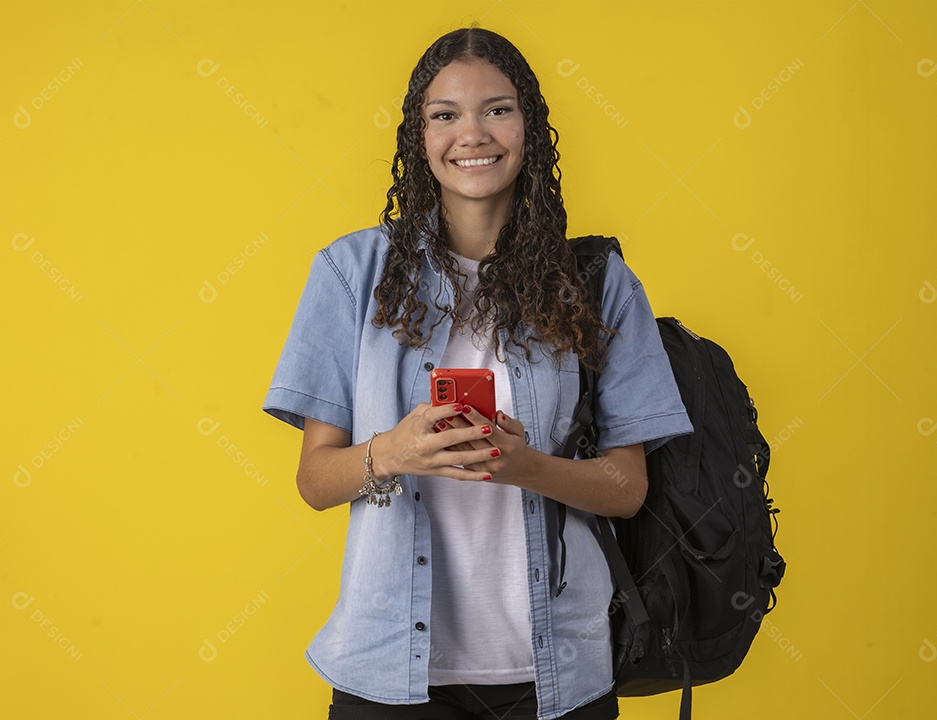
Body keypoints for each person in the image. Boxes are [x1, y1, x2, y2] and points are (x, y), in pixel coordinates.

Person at [263, 26, 692, 720]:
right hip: (389, 675)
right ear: (419, 136)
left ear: (530, 125)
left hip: (557, 676)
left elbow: (627, 489)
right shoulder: (350, 274)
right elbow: (315, 481)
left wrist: (523, 465)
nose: (473, 134)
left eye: (497, 109)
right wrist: (395, 452)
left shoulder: (597, 283)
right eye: (445, 115)